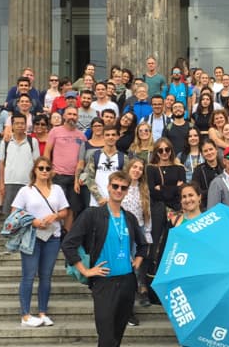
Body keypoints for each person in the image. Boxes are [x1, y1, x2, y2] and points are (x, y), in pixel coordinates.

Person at [61, 171, 148, 347]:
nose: (119, 190)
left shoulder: (129, 218)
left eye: (123, 188)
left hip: (127, 283)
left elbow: (143, 245)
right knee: (106, 338)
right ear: (108, 187)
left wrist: (137, 262)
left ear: (127, 191)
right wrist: (85, 270)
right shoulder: (92, 214)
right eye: (115, 186)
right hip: (104, 283)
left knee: (117, 337)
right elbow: (68, 243)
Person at [12, 157, 69, 327]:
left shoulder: (57, 189)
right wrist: (33, 221)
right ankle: (26, 315)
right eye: (41, 168)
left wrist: (56, 215)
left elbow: (65, 211)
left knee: (46, 276)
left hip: (52, 237)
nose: (44, 171)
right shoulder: (25, 191)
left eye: (47, 168)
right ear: (35, 170)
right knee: (28, 276)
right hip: (32, 237)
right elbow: (15, 212)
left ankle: (43, 312)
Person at [145, 139, 185, 303]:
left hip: (176, 213)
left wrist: (163, 189)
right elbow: (152, 193)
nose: (164, 153)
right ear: (155, 152)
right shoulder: (151, 169)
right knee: (155, 247)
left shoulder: (179, 168)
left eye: (167, 149)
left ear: (171, 150)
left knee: (172, 249)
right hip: (158, 212)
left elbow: (181, 191)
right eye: (160, 150)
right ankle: (152, 289)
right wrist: (173, 188)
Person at [44, 106, 87, 231]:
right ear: (64, 116)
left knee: (71, 208)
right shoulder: (55, 131)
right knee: (56, 206)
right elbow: (47, 151)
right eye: (69, 114)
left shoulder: (81, 135)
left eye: (74, 114)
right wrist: (49, 170)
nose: (72, 117)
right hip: (58, 175)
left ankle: (66, 235)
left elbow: (82, 158)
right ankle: (54, 233)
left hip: (74, 177)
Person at [120, 158, 153, 317]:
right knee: (126, 265)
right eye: (134, 167)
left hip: (138, 229)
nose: (137, 170)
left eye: (140, 168)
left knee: (136, 265)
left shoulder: (143, 189)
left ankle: (138, 292)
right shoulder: (120, 186)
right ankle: (127, 303)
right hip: (122, 230)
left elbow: (147, 213)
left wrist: (147, 233)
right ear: (129, 168)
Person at [0, 113, 40, 215]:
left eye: (22, 123)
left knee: (27, 214)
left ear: (26, 125)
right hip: (10, 182)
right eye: (16, 123)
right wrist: (1, 183)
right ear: (12, 125)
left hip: (28, 183)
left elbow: (37, 164)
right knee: (10, 215)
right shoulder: (5, 142)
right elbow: (2, 163)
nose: (20, 125)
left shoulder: (33, 141)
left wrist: (36, 183)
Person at [85, 126, 129, 207]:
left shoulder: (123, 157)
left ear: (117, 137)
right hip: (97, 203)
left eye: (113, 135)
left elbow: (125, 181)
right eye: (107, 135)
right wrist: (99, 198)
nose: (110, 137)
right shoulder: (95, 155)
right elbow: (89, 178)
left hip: (116, 203)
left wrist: (115, 199)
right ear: (103, 137)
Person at [192, 139, 223, 207]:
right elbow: (196, 192)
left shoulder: (225, 167)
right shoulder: (198, 170)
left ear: (216, 149)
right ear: (202, 154)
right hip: (206, 207)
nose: (209, 153)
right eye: (205, 151)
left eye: (211, 149)